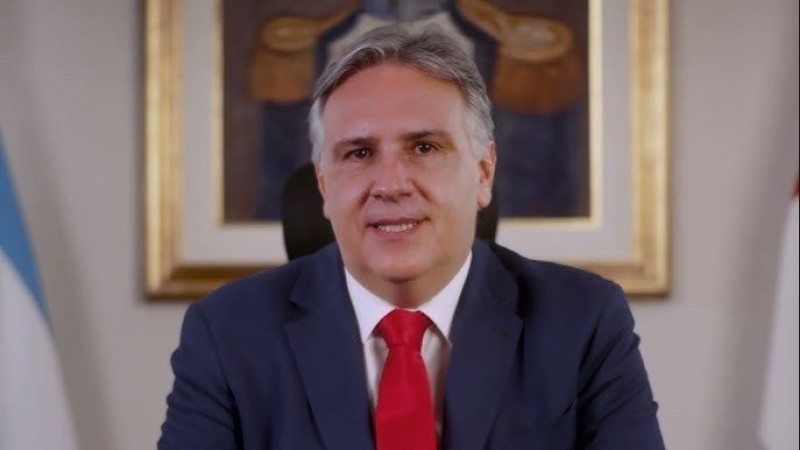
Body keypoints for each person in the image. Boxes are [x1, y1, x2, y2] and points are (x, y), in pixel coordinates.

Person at [159, 25, 664, 449]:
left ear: (483, 172)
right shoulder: (227, 333)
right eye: (359, 153)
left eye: (424, 147)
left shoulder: (583, 321)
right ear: (324, 186)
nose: (391, 184)